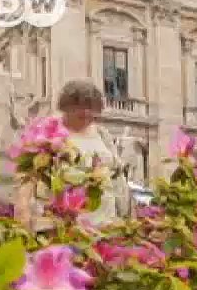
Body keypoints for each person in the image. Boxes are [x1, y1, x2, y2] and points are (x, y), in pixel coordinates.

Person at [15, 81, 132, 230]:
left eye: (91, 108)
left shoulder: (102, 134)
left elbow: (117, 174)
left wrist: (125, 212)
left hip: (106, 220)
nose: (86, 112)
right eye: (80, 107)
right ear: (66, 107)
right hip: (65, 221)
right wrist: (23, 206)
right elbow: (28, 173)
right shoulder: (50, 130)